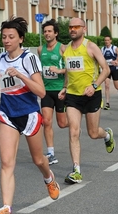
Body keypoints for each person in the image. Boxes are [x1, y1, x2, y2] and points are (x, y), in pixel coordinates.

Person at [0, 16, 60, 214]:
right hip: (8, 113)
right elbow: (6, 85)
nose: (7, 40)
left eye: (11, 37)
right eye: (4, 37)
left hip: (29, 114)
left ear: (21, 39)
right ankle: (6, 210)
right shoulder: (1, 58)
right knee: (6, 163)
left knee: (38, 160)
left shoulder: (29, 58)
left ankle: (48, 178)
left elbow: (41, 90)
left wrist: (20, 74)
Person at [58, 18, 115, 184]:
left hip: (92, 94)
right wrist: (64, 87)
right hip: (73, 96)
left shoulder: (90, 46)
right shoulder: (66, 49)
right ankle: (76, 170)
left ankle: (106, 135)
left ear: (84, 29)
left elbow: (106, 69)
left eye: (76, 27)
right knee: (73, 131)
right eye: (70, 27)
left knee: (93, 133)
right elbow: (69, 71)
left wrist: (94, 84)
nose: (72, 29)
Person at [37, 19, 68, 165]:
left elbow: (70, 69)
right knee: (46, 121)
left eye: (50, 31)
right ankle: (51, 153)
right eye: (45, 31)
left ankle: (74, 124)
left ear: (55, 33)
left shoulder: (63, 48)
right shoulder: (40, 49)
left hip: (60, 89)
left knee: (62, 123)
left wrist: (59, 70)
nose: (47, 34)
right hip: (46, 91)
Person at [101, 36, 118, 110]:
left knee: (116, 86)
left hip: (114, 69)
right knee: (107, 85)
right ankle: (107, 103)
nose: (106, 41)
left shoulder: (114, 48)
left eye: (108, 40)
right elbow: (101, 58)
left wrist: (117, 61)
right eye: (105, 40)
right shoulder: (103, 49)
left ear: (111, 41)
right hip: (107, 69)